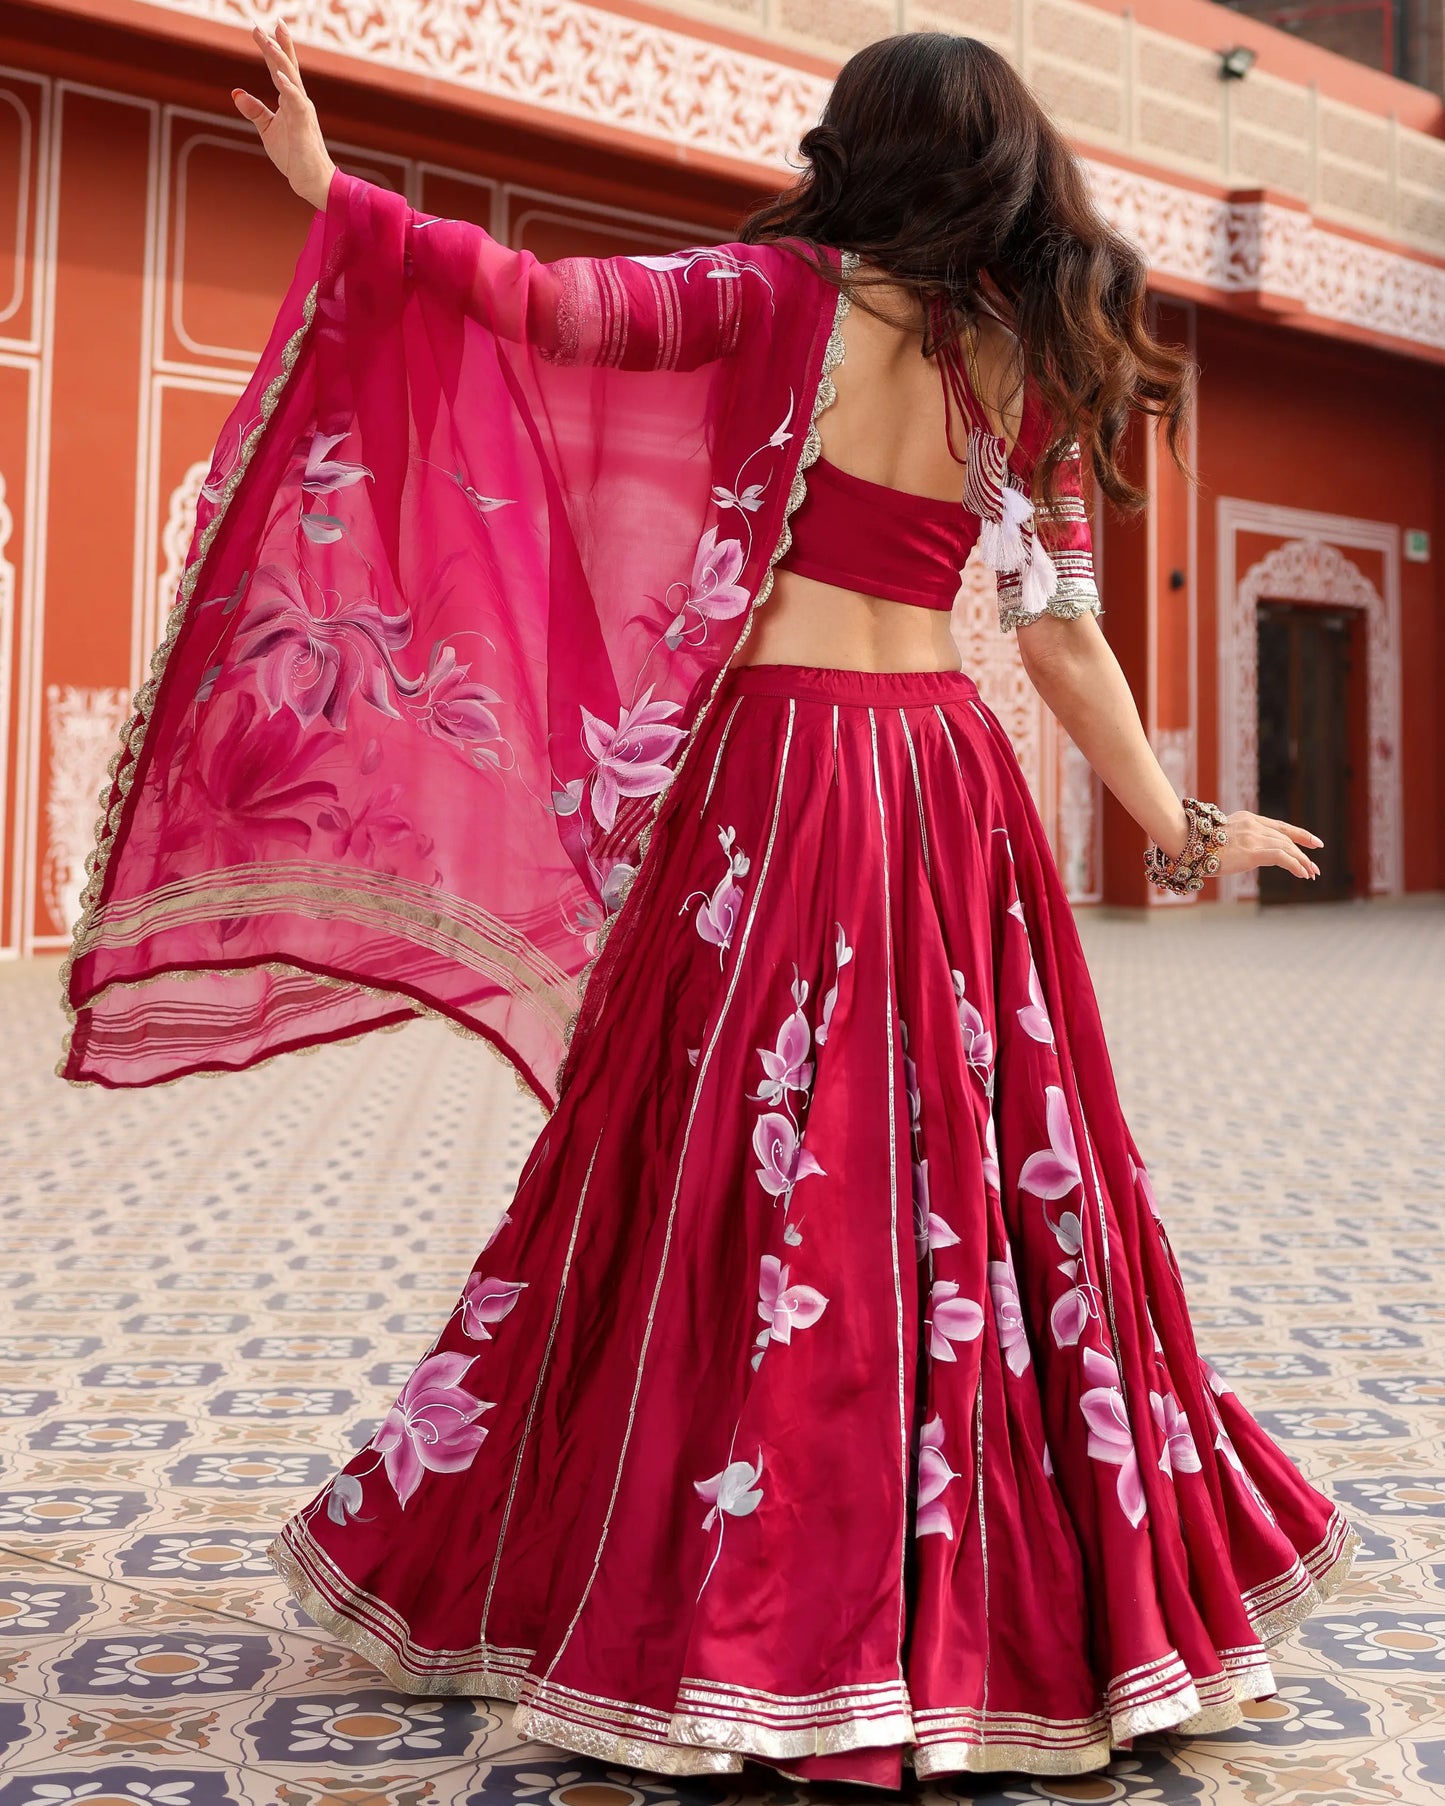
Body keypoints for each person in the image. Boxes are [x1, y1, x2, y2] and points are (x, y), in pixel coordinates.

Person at [63, 21, 1352, 1789]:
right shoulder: (1025, 351)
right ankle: (970, 1602)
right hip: (945, 780)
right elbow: (1058, 631)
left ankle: (721, 1588)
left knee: (706, 1169)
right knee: (965, 1172)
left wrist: (336, 196)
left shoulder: (769, 297)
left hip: (775, 773)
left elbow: (539, 307)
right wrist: (1183, 823)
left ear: (856, 149)